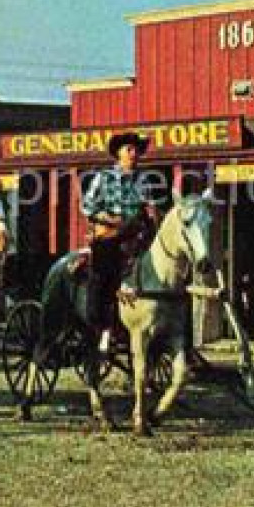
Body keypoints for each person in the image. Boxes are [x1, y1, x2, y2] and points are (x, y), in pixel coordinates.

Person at [80, 131, 152, 353]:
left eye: (136, 150)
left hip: (136, 234)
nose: (134, 154)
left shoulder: (143, 180)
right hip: (110, 235)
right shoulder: (104, 178)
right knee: (103, 275)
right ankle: (101, 323)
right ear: (118, 153)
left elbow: (147, 206)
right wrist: (108, 219)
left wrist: (151, 214)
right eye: (129, 149)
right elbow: (87, 206)